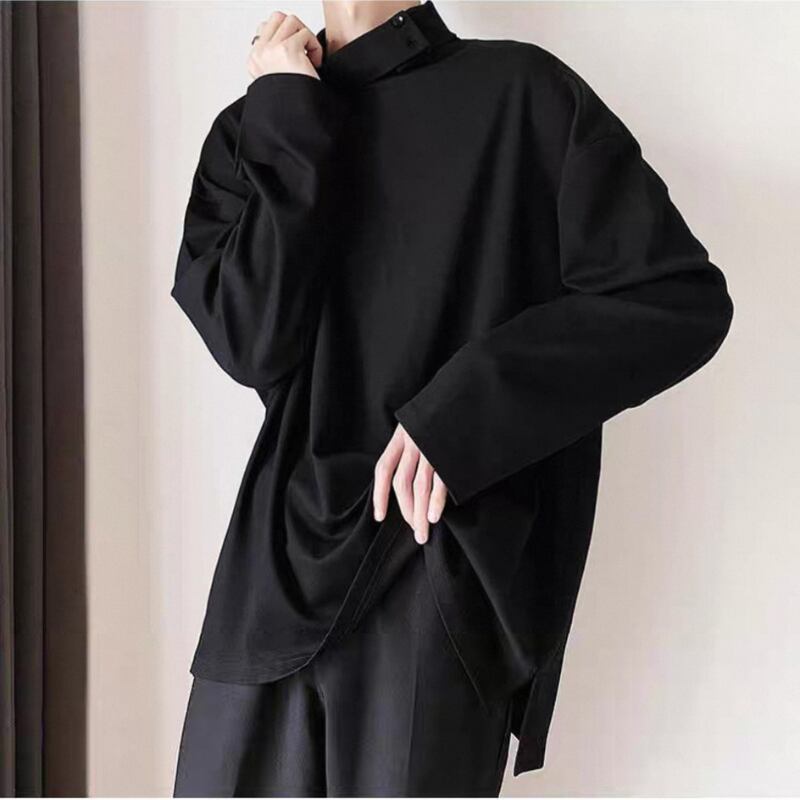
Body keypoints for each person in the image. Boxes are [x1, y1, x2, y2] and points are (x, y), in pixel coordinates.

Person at [170, 1, 734, 796]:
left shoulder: (522, 95)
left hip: (431, 570)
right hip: (269, 582)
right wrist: (289, 112)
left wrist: (462, 414)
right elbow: (250, 341)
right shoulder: (255, 126)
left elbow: (677, 299)